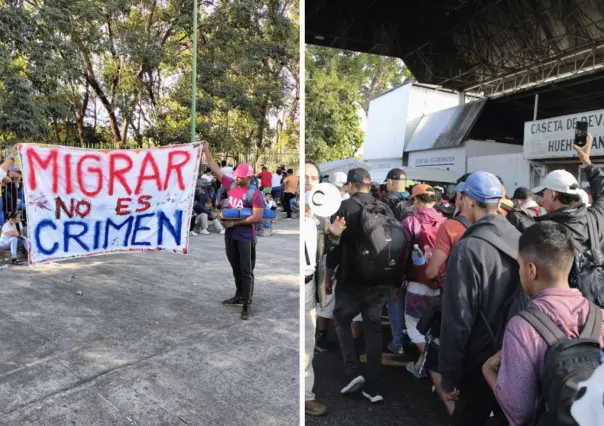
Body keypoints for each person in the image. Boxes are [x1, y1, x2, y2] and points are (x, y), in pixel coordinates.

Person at [483, 222, 604, 426]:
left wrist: (487, 370)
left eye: (520, 266)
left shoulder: (522, 326)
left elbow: (519, 411)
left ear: (531, 270)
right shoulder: (599, 315)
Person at [439, 171, 520, 426]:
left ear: (470, 201)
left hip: (479, 359)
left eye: (462, 197)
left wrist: (449, 375)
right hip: (515, 350)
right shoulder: (519, 237)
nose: (460, 202)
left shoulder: (468, 248)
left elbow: (458, 319)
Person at [325, 168, 392, 403]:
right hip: (379, 279)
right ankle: (374, 386)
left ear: (351, 185)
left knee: (341, 320)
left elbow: (334, 244)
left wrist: (327, 276)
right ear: (369, 184)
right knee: (373, 328)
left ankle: (353, 372)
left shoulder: (344, 208)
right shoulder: (383, 207)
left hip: (351, 278)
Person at [423, 174, 471, 415]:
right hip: (492, 310)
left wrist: (431, 260)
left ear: (463, 197)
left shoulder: (450, 227)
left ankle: (454, 412)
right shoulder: (506, 226)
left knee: (438, 359)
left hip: (454, 302)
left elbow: (432, 271)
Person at [202, 142, 264, 320]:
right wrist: (206, 148)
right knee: (235, 267)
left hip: (245, 237)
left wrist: (234, 224)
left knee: (246, 270)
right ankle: (239, 295)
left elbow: (257, 217)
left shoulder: (255, 194)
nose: (236, 178)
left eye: (240, 177)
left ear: (249, 177)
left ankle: (247, 304)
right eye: (236, 176)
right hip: (231, 236)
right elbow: (214, 168)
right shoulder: (230, 185)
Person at [304, 160, 346, 417]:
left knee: (307, 345)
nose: (308, 180)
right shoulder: (293, 210)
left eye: (313, 177)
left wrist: (333, 235)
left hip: (308, 289)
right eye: (304, 176)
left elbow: (324, 252)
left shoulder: (320, 216)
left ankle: (306, 397)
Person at [400, 184, 446, 378]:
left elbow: (403, 254)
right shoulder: (446, 222)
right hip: (441, 283)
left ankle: (437, 365)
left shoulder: (410, 222)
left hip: (418, 282)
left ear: (416, 200)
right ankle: (423, 365)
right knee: (433, 327)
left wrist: (397, 281)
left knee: (414, 326)